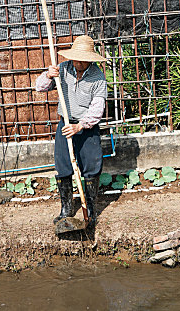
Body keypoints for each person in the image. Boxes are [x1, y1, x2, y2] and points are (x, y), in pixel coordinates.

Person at [36, 35, 107, 225]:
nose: (79, 62)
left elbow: (97, 108)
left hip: (86, 127)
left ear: (90, 59)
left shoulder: (98, 77)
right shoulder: (63, 69)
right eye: (76, 58)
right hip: (65, 124)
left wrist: (80, 126)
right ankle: (66, 208)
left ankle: (90, 210)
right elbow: (39, 87)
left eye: (83, 59)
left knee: (91, 167)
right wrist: (48, 75)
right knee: (63, 166)